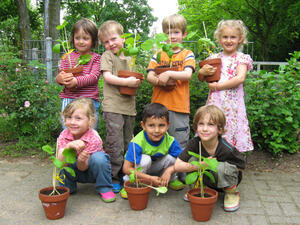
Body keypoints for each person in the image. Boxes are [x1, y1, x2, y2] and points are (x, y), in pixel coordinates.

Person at [174, 105, 245, 212]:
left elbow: (241, 166)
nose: (205, 129)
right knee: (192, 159)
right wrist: (201, 165)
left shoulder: (226, 148)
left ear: (219, 129)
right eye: (201, 124)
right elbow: (177, 166)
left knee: (220, 167)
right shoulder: (194, 143)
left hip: (226, 180)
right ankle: (201, 188)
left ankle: (231, 193)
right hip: (207, 179)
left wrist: (217, 166)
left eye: (211, 124)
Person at [98, 20, 142, 193]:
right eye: (106, 42)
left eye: (114, 39)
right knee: (115, 144)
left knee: (128, 142)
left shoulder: (131, 57)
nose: (110, 44)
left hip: (129, 108)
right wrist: (127, 81)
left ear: (123, 38)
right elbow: (108, 77)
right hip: (113, 107)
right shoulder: (107, 56)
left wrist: (135, 81)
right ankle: (114, 177)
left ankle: (127, 175)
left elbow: (137, 78)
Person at [198, 19, 253, 152]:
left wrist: (217, 87)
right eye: (225, 37)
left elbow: (240, 78)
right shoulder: (214, 58)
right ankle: (212, 159)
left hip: (232, 106)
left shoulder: (241, 58)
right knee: (213, 125)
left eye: (233, 37)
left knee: (231, 129)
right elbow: (201, 78)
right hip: (216, 103)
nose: (229, 40)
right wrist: (201, 72)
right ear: (219, 38)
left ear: (240, 39)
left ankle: (232, 163)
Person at [147, 14, 196, 150]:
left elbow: (187, 74)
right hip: (158, 107)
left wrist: (168, 73)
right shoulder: (158, 54)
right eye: (168, 33)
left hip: (179, 107)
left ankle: (179, 171)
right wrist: (161, 82)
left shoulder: (187, 54)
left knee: (178, 144)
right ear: (164, 35)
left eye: (176, 32)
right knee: (156, 143)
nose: (172, 36)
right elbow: (149, 76)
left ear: (184, 34)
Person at [120, 103, 185, 199]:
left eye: (161, 125)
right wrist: (150, 179)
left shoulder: (170, 141)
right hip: (138, 171)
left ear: (168, 125)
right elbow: (126, 168)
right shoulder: (137, 142)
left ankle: (169, 179)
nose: (157, 130)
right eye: (151, 125)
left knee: (172, 158)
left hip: (155, 170)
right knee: (145, 159)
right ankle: (130, 183)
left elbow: (183, 160)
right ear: (143, 125)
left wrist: (169, 171)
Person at [57, 97, 116, 203]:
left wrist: (81, 160)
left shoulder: (93, 138)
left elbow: (82, 167)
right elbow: (59, 163)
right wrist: (68, 146)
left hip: (90, 171)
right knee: (63, 160)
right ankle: (67, 187)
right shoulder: (64, 135)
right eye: (69, 117)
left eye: (78, 118)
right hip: (72, 170)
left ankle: (104, 187)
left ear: (90, 121)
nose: (72, 122)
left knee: (100, 158)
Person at [56, 18, 101, 128]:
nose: (81, 41)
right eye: (77, 38)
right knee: (68, 129)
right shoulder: (67, 57)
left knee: (89, 130)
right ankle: (68, 145)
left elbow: (93, 77)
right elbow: (61, 74)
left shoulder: (96, 58)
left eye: (85, 38)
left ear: (93, 41)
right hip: (69, 98)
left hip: (89, 99)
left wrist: (76, 81)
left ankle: (90, 145)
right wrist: (60, 79)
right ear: (72, 39)